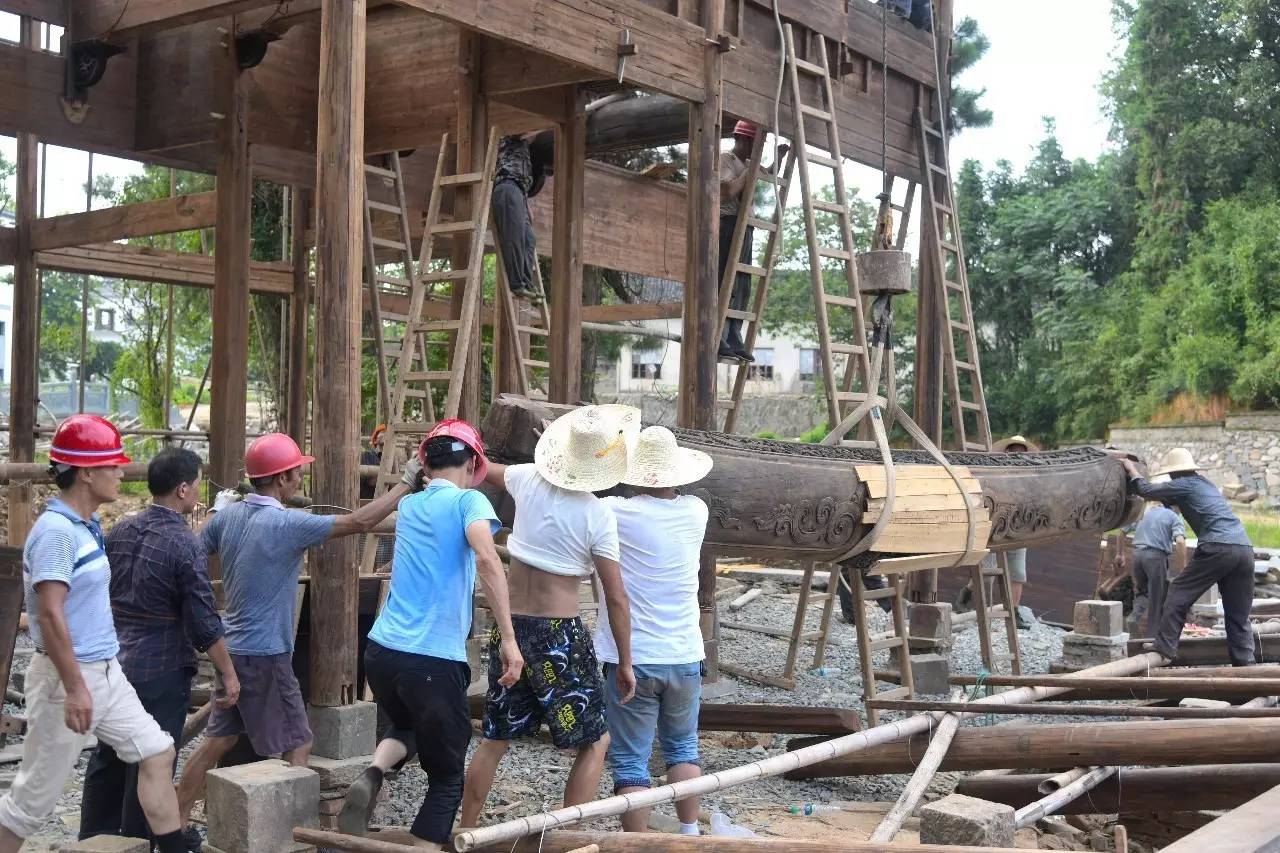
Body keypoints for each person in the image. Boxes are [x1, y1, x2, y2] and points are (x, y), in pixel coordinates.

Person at [176, 432, 418, 825]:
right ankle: (292, 832)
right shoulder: (287, 523)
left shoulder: (230, 516)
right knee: (300, 742)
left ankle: (176, 821)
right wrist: (407, 482)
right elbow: (361, 520)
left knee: (216, 741)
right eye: (296, 473)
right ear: (282, 478)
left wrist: (215, 515)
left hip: (232, 649)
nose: (299, 480)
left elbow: (192, 550)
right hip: (266, 654)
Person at [0, 416, 188, 853]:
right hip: (70, 678)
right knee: (31, 802)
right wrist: (75, 689)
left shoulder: (86, 526)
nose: (123, 472)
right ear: (86, 472)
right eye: (114, 464)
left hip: (106, 671)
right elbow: (49, 614)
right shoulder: (56, 533)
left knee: (157, 751)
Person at [339, 420, 523, 849]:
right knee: (444, 780)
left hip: (382, 651)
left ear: (425, 463)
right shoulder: (468, 502)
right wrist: (509, 639)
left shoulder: (410, 507)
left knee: (406, 724)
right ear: (474, 462)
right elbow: (486, 557)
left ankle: (372, 773)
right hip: (433, 659)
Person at [460, 405, 639, 828]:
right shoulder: (597, 514)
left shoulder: (528, 481)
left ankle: (466, 827)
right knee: (595, 741)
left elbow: (483, 468)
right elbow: (616, 599)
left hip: (512, 630)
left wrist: (545, 452)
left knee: (495, 739)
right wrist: (626, 661)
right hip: (560, 636)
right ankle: (563, 833)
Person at [79, 448, 240, 850]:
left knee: (108, 755)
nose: (200, 489)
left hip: (115, 660)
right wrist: (228, 672)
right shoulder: (184, 544)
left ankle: (93, 839)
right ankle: (138, 840)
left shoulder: (120, 531)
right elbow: (203, 621)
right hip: (162, 666)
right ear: (183, 489)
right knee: (152, 761)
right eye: (198, 482)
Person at [595, 426, 712, 835]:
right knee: (683, 747)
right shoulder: (697, 511)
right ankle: (690, 833)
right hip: (685, 655)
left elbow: (583, 495)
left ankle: (638, 844)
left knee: (631, 760)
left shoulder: (616, 512)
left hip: (634, 658)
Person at [1122, 448, 1256, 666]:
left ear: (1176, 473)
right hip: (1243, 549)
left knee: (1178, 592)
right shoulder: (1205, 485)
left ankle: (1165, 646)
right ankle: (1246, 668)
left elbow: (1145, 489)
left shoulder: (1183, 483)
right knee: (1238, 615)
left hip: (1217, 547)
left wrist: (1130, 469)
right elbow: (1178, 503)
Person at [717, 121, 788, 362]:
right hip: (728, 225)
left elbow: (767, 176)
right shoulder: (726, 159)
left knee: (742, 285)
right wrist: (750, 170)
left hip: (745, 227)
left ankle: (734, 334)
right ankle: (719, 336)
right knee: (724, 280)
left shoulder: (748, 164)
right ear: (745, 140)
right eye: (757, 145)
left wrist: (777, 158)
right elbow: (727, 191)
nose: (756, 150)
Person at [955, 436, 1034, 628]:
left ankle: (1014, 614)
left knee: (1017, 573)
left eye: (1021, 452)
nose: (1017, 455)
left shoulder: (1030, 477)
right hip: (993, 527)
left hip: (1018, 528)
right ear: (1007, 452)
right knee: (987, 573)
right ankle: (966, 595)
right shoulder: (997, 473)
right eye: (1014, 451)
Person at [491, 130, 555, 301]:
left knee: (529, 239)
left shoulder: (525, 146)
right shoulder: (511, 137)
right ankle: (517, 283)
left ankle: (526, 282)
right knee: (514, 236)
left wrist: (527, 206)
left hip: (519, 192)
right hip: (507, 186)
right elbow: (519, 129)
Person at [1126, 475, 1188, 636]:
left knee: (1142, 593)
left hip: (1137, 555)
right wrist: (1183, 569)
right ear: (1177, 507)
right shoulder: (1174, 517)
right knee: (1157, 598)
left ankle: (1134, 617)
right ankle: (1153, 637)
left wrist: (1119, 554)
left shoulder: (1147, 513)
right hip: (1155, 558)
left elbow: (1122, 531)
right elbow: (1180, 542)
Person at [360, 423, 386, 501]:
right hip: (367, 499)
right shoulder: (367, 455)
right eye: (381, 433)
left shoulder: (394, 457)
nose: (383, 436)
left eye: (385, 433)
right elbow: (371, 482)